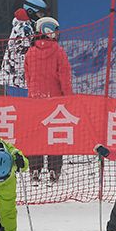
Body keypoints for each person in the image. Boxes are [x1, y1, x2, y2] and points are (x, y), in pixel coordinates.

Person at [24, 17, 72, 184]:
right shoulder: (59, 52)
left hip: (35, 101)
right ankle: (54, 170)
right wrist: (68, 99)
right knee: (55, 135)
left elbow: (28, 77)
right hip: (55, 101)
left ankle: (35, 171)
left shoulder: (30, 52)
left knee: (37, 135)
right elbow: (64, 78)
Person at [0, 0, 48, 97]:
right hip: (16, 77)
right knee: (20, 107)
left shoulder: (28, 25)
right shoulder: (23, 27)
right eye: (40, 14)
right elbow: (28, 48)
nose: (41, 17)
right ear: (30, 12)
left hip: (20, 76)